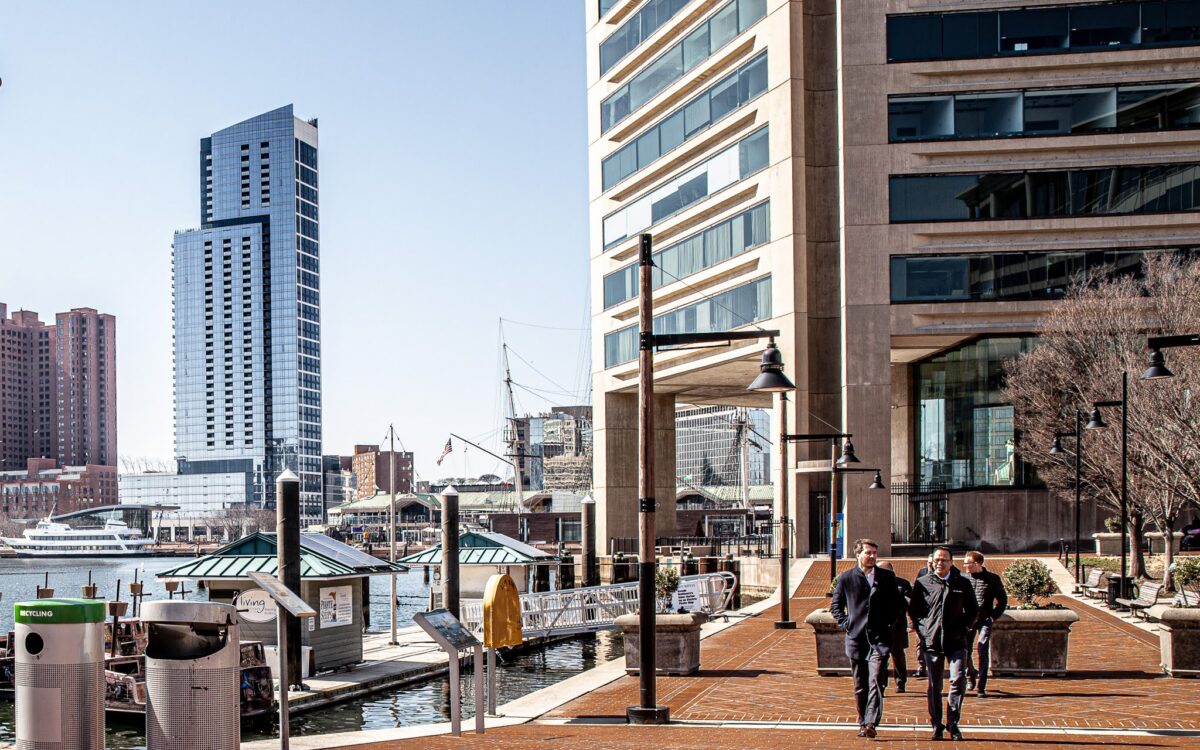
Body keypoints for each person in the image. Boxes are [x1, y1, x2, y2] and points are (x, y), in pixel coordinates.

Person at [831, 538, 904, 739]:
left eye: (874, 553)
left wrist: (889, 622)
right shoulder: (846, 578)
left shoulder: (887, 577)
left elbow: (897, 605)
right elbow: (836, 607)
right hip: (856, 638)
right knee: (860, 683)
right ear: (858, 554)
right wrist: (847, 624)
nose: (872, 556)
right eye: (868, 553)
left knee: (876, 679)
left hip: (880, 639)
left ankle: (871, 721)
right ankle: (862, 720)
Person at [910, 546, 977, 742]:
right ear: (932, 562)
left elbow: (973, 610)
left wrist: (963, 629)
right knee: (934, 686)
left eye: (944, 560)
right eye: (937, 560)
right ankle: (936, 724)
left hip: (956, 642)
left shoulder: (962, 583)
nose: (940, 563)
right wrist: (924, 632)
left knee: (957, 680)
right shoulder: (923, 583)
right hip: (932, 642)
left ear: (951, 562)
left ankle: (953, 723)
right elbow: (915, 611)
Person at [963, 550, 1007, 698]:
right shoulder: (963, 578)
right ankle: (970, 675)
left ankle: (981, 686)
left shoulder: (992, 579)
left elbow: (1002, 600)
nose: (965, 566)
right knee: (965, 651)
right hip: (968, 621)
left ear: (977, 563)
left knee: (982, 649)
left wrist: (994, 616)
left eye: (967, 563)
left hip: (984, 619)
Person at [877, 561, 912, 693]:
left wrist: (912, 623)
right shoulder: (874, 583)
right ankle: (881, 684)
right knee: (881, 657)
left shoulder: (902, 584)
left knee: (898, 656)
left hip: (897, 627)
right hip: (880, 628)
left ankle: (901, 682)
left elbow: (910, 604)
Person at [913, 553, 934, 678]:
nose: (931, 565)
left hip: (936, 616)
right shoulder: (922, 573)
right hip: (923, 616)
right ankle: (921, 667)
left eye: (933, 562)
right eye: (929, 562)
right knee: (919, 643)